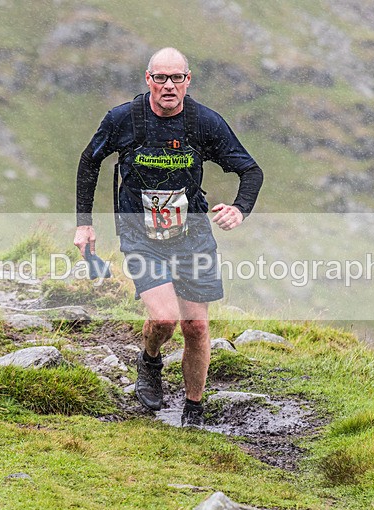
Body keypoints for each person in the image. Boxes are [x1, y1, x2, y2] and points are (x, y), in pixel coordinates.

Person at [74, 47, 263, 428]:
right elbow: (89, 161)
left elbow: (251, 170)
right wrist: (84, 222)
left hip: (192, 233)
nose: (168, 86)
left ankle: (193, 410)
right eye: (160, 78)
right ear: (148, 80)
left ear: (188, 80)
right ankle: (150, 360)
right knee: (164, 319)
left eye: (176, 78)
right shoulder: (124, 119)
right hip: (139, 231)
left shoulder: (204, 123)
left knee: (197, 326)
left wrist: (239, 209)